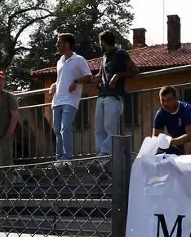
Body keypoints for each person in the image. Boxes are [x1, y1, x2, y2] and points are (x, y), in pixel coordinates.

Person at [76, 31, 139, 158]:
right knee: (99, 129)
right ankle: (100, 155)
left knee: (110, 128)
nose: (99, 44)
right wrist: (96, 78)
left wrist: (118, 76)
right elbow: (101, 73)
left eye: (100, 41)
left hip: (114, 96)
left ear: (103, 42)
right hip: (102, 95)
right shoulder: (104, 57)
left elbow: (135, 70)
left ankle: (107, 155)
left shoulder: (121, 53)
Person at [48, 33, 93, 168]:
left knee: (65, 127)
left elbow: (88, 76)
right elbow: (60, 79)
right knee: (57, 130)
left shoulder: (79, 59)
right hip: (57, 100)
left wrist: (76, 81)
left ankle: (67, 158)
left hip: (70, 100)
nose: (57, 45)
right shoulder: (59, 61)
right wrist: (54, 85)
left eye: (59, 42)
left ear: (67, 44)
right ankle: (59, 159)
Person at [153, 86, 191, 155]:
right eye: (163, 101)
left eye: (169, 100)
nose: (165, 104)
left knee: (189, 145)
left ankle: (189, 166)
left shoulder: (187, 110)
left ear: (176, 98)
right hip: (177, 145)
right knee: (155, 148)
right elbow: (156, 137)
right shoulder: (161, 113)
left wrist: (169, 142)